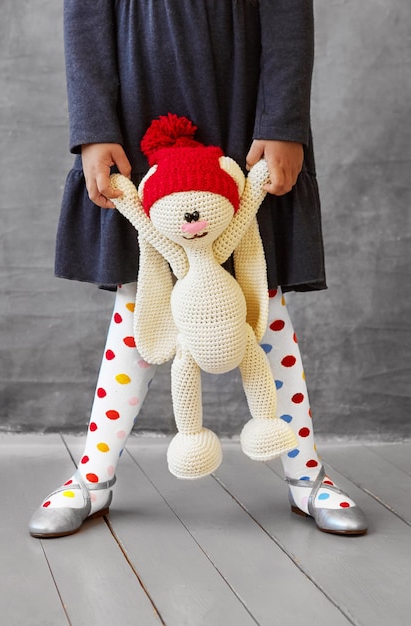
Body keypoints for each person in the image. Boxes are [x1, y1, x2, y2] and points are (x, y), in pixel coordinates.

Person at [29, 0, 367, 538]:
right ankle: (92, 476)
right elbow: (86, 15)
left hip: (242, 105)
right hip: (141, 103)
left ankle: (307, 475)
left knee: (262, 305)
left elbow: (287, 13)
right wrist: (93, 127)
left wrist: (283, 121)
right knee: (142, 307)